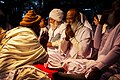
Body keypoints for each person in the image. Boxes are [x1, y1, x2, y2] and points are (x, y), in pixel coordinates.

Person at [53, 0, 120, 80]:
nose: (68, 22)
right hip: (93, 63)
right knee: (68, 63)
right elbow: (62, 51)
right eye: (67, 19)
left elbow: (83, 52)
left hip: (109, 65)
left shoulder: (85, 31)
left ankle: (82, 77)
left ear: (77, 18)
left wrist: (72, 38)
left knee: (102, 76)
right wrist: (67, 38)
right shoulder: (109, 28)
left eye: (70, 19)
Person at [0, 10, 50, 80]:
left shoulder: (15, 30)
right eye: (38, 24)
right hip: (7, 73)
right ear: (34, 25)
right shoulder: (29, 36)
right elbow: (44, 59)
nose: (39, 27)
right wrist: (44, 44)